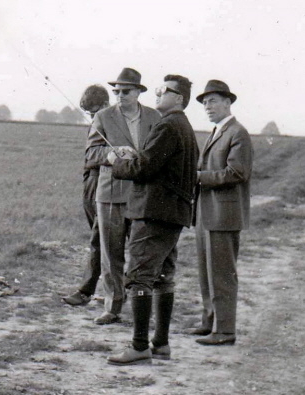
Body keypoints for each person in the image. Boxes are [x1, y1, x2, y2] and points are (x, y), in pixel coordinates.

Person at [106, 74, 199, 365]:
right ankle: (160, 344)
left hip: (154, 215)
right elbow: (157, 165)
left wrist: (116, 162)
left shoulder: (169, 125)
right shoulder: (182, 126)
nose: (157, 94)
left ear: (179, 99)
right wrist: (137, 158)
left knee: (139, 277)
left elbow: (144, 169)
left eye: (163, 91)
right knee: (163, 278)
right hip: (172, 215)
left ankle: (139, 346)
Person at [86, 68, 161, 325]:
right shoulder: (103, 117)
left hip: (144, 194)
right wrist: (111, 154)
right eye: (116, 91)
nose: (120, 95)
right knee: (111, 252)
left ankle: (142, 306)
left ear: (139, 92)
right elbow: (90, 155)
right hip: (110, 194)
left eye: (126, 91)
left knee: (143, 254)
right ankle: (113, 306)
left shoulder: (155, 117)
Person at [191, 80, 253, 346]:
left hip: (223, 215)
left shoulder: (237, 132)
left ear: (228, 102)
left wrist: (198, 178)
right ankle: (210, 321)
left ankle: (225, 330)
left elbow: (237, 173)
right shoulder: (217, 132)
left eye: (213, 101)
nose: (208, 107)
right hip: (207, 214)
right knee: (206, 270)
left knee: (222, 273)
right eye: (205, 103)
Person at [63, 85, 110, 306]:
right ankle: (112, 289)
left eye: (94, 110)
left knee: (99, 239)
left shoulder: (113, 124)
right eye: (89, 112)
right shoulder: (96, 124)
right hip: (90, 182)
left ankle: (86, 291)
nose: (92, 116)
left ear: (105, 105)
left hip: (106, 184)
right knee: (99, 237)